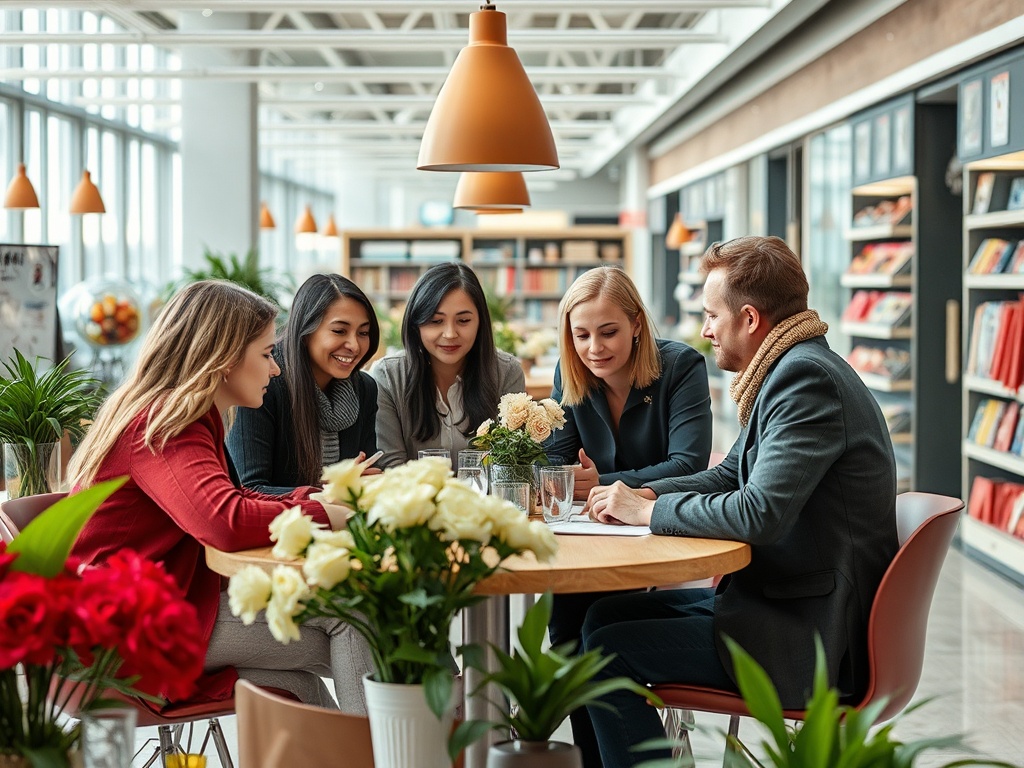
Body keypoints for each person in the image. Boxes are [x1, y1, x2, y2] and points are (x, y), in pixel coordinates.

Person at [578, 236, 898, 767]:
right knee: (602, 617)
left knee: (606, 650)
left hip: (809, 631)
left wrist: (647, 512)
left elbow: (759, 513)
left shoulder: (804, 379)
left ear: (749, 319)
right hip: (783, 599)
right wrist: (645, 493)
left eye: (711, 315)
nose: (704, 331)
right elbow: (732, 474)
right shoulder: (788, 367)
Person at [69, 280, 373, 713]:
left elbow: (232, 497)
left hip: (160, 602)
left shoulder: (182, 412)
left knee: (304, 686)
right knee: (361, 618)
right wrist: (321, 512)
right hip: (126, 628)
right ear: (225, 358)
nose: (277, 369)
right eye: (267, 354)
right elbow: (223, 521)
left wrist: (316, 497)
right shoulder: (165, 424)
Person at [541, 265, 712, 767]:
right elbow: (555, 459)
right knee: (567, 628)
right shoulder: (570, 375)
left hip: (657, 534)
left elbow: (689, 463)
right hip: (592, 534)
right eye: (582, 334)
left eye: (608, 331)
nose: (594, 347)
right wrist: (568, 479)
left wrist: (615, 484)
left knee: (589, 627)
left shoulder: (681, 367)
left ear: (637, 323)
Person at [227, 273, 380, 494]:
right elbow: (250, 490)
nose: (354, 346)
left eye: (363, 333)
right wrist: (331, 491)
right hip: (279, 527)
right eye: (339, 331)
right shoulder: (262, 384)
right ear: (306, 331)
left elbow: (368, 475)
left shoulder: (364, 388)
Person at [371, 262, 525, 467]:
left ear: (480, 322)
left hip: (486, 499)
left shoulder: (507, 373)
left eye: (463, 321)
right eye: (436, 321)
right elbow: (391, 466)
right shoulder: (387, 377)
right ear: (416, 324)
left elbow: (511, 465)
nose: (450, 334)